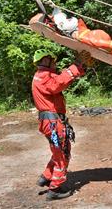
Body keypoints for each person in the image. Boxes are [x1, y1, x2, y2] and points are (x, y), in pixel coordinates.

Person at [32, 48, 88, 200]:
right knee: (63, 153)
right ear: (45, 61)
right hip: (53, 122)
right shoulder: (44, 77)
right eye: (52, 61)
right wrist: (75, 67)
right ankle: (54, 189)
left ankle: (46, 177)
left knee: (57, 151)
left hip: (49, 121)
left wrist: (78, 69)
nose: (55, 64)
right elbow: (58, 83)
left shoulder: (41, 76)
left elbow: (59, 80)